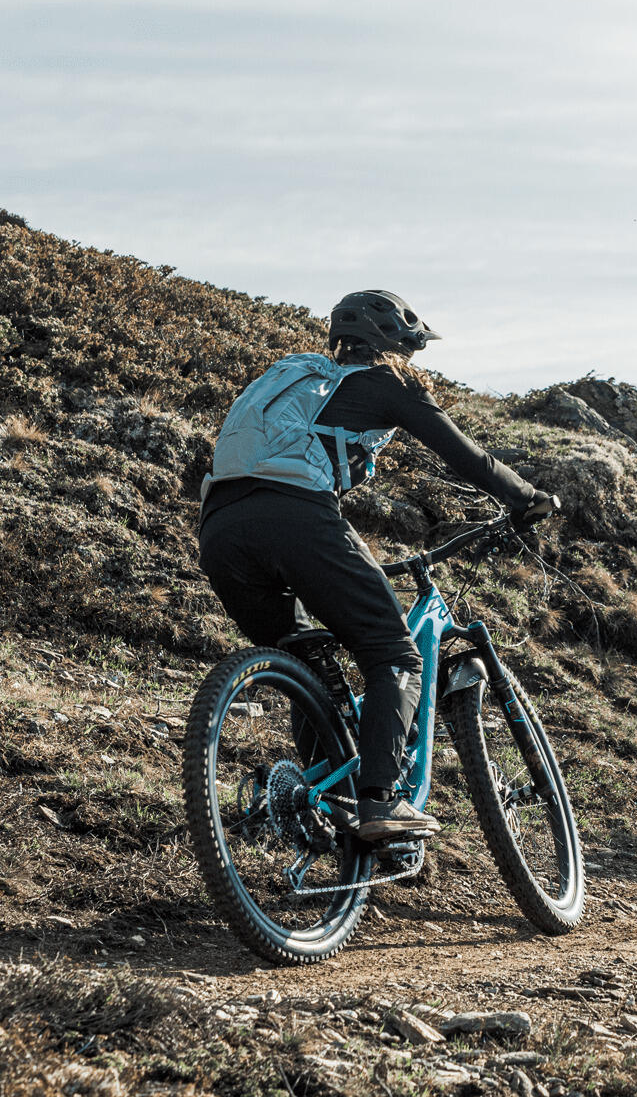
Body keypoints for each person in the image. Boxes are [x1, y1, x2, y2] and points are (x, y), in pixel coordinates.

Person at [197, 290, 554, 842]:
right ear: (394, 343)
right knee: (395, 654)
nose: (411, 360)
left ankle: (327, 802)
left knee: (308, 665)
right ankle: (380, 802)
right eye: (410, 349)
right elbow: (466, 456)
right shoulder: (387, 382)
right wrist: (527, 499)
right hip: (297, 517)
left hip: (219, 527)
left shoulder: (293, 376)